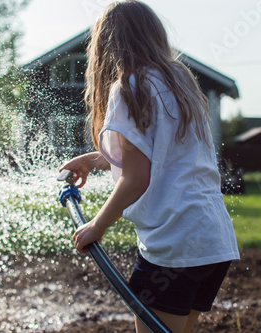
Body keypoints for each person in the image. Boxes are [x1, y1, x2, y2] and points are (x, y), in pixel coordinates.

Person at [59, 1, 240, 332]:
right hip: (213, 240)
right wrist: (92, 159)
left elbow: (136, 177)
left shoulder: (129, 86)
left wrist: (96, 226)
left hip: (175, 244)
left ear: (107, 44)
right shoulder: (180, 81)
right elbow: (156, 153)